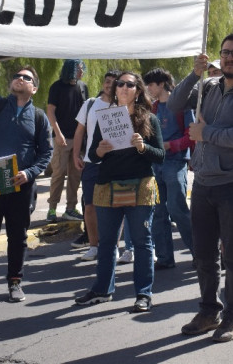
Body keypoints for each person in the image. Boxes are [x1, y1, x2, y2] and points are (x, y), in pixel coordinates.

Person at [169, 33, 233, 342]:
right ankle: (209, 311)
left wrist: (205, 132)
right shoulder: (208, 85)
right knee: (203, 254)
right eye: (225, 52)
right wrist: (194, 73)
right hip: (203, 182)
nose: (229, 57)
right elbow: (173, 102)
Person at [74, 71, 164, 312]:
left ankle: (144, 294)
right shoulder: (105, 117)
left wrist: (143, 147)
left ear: (138, 90)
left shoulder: (149, 119)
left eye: (129, 84)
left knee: (142, 242)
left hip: (139, 186)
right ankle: (102, 290)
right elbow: (92, 153)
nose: (123, 88)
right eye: (119, 84)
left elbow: (161, 156)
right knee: (106, 243)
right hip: (108, 185)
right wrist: (100, 151)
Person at [0, 55, 53, 303]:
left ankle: (15, 282)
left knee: (18, 236)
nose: (19, 79)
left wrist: (29, 173)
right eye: (17, 76)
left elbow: (46, 153)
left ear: (34, 88)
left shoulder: (38, 117)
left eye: (26, 78)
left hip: (21, 185)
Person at [143, 68, 194, 269]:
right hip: (156, 164)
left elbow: (191, 135)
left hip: (175, 162)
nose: (148, 89)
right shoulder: (153, 108)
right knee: (158, 212)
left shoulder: (182, 105)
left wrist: (170, 146)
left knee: (177, 209)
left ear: (162, 84)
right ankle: (165, 258)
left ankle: (199, 254)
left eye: (151, 85)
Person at [72, 71, 120, 262]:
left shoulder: (122, 105)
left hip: (115, 162)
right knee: (89, 205)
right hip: (92, 163)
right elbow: (79, 131)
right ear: (103, 83)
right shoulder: (90, 103)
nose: (110, 85)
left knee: (115, 206)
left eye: (114, 83)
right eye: (107, 81)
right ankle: (93, 246)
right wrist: (76, 154)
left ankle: (114, 247)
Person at [46, 60, 88, 223]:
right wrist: (58, 134)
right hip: (62, 138)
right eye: (79, 69)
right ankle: (52, 209)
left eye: (82, 68)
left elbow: (85, 112)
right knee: (58, 173)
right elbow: (50, 111)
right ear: (70, 69)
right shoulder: (56, 87)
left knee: (75, 175)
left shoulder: (83, 86)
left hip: (79, 138)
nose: (82, 71)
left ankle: (71, 208)